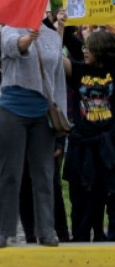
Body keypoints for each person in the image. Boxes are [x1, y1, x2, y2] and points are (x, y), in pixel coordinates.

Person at [0, 21, 67, 248]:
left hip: (43, 114)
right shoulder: (10, 28)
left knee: (44, 174)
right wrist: (29, 38)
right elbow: (12, 47)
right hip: (12, 111)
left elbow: (58, 80)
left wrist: (61, 125)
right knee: (10, 173)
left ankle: (46, 231)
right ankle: (2, 231)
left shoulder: (53, 36)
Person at [62, 30, 115, 242]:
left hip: (109, 144)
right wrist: (60, 25)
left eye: (89, 47)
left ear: (101, 50)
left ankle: (108, 238)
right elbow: (56, 56)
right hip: (83, 145)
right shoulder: (79, 70)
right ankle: (82, 237)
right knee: (82, 196)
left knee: (110, 193)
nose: (84, 50)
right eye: (84, 47)